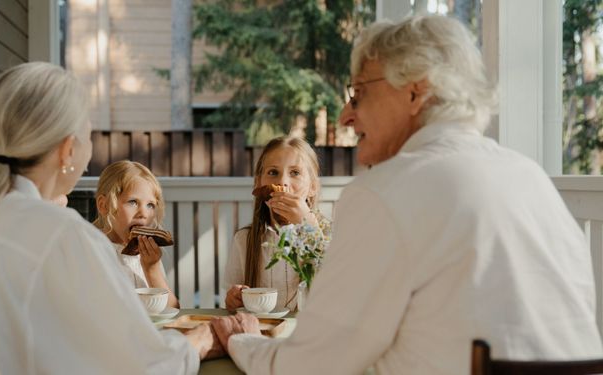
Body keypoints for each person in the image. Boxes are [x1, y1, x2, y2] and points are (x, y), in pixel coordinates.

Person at [210, 15, 603, 374]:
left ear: (415, 92)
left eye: (359, 92)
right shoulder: (531, 179)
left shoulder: (383, 192)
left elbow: (308, 367)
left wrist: (242, 339)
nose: (347, 115)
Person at [0, 62, 221, 374]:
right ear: (66, 151)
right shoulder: (63, 235)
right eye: (89, 136)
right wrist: (201, 341)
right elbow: (140, 367)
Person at [223, 136, 331, 312]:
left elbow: (339, 289)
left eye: (295, 173)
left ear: (313, 187)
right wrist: (233, 299)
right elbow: (231, 298)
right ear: (259, 183)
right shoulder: (244, 240)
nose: (282, 182)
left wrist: (308, 226)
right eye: (273, 172)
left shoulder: (331, 236)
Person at [93, 160, 179, 308]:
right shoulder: (92, 250)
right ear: (104, 205)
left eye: (150, 205)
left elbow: (172, 310)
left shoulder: (147, 255)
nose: (144, 213)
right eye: (133, 202)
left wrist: (152, 269)